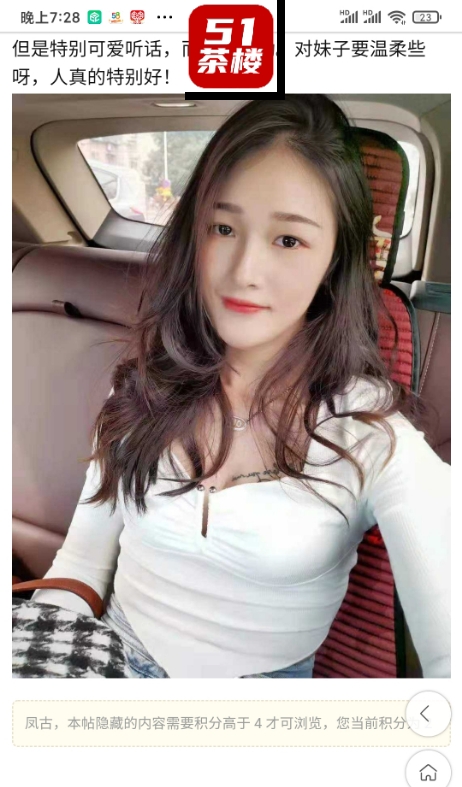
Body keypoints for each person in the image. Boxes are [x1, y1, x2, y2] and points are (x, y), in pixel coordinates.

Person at [32, 96, 450, 679]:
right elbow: (80, 563)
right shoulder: (146, 387)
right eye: (223, 228)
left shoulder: (373, 435)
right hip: (109, 658)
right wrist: (44, 661)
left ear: (334, 259)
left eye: (288, 240)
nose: (244, 271)